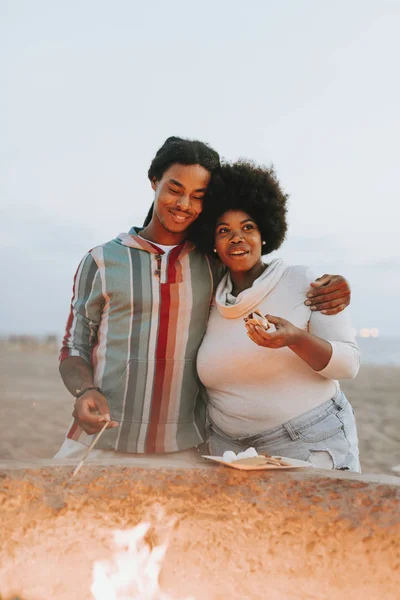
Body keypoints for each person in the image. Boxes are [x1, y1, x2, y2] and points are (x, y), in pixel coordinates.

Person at [55, 137, 353, 460]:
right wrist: (84, 391)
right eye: (175, 189)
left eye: (198, 196)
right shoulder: (100, 261)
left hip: (183, 448)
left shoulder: (212, 266)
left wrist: (337, 285)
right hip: (102, 438)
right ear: (154, 182)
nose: (184, 204)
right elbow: (74, 346)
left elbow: (259, 275)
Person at [195, 161, 361, 471]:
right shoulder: (208, 300)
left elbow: (348, 365)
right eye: (223, 230)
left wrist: (295, 339)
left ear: (265, 234)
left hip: (306, 442)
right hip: (227, 453)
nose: (236, 238)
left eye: (248, 227)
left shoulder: (303, 282)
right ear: (212, 243)